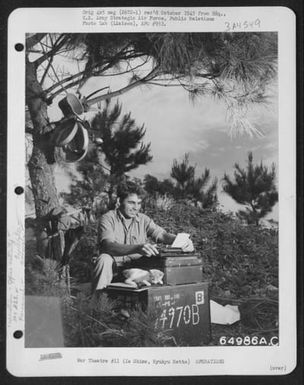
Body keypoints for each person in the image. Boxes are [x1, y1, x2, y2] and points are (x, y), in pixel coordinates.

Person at [92, 181, 194, 293]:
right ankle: (98, 303)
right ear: (119, 201)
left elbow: (162, 235)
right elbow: (108, 246)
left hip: (138, 270)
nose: (136, 208)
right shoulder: (108, 218)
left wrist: (180, 240)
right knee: (104, 259)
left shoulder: (144, 219)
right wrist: (137, 248)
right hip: (114, 268)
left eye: (139, 203)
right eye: (131, 203)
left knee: (162, 263)